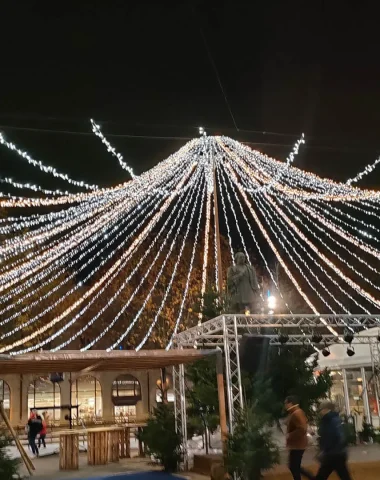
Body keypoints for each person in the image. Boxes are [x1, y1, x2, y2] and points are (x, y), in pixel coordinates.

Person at [315, 401, 352, 480]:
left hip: (334, 454)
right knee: (344, 476)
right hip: (336, 453)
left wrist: (324, 450)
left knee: (321, 476)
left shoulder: (330, 420)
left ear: (326, 409)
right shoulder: (332, 419)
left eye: (321, 409)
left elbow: (333, 436)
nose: (320, 411)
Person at [285, 396, 313, 480]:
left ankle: (313, 478)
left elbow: (302, 428)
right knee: (294, 466)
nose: (285, 405)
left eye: (286, 403)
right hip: (297, 444)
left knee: (294, 467)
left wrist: (290, 435)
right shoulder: (295, 412)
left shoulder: (296, 413)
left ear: (290, 403)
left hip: (298, 445)